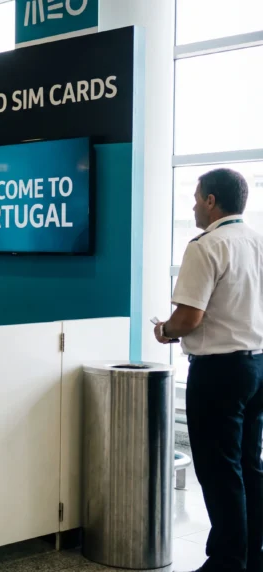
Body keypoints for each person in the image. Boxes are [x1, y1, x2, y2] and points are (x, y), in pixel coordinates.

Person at [154, 168, 263, 572]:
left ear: (212, 201)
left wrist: (164, 330)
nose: (194, 205)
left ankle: (226, 561)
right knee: (250, 465)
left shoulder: (206, 246)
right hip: (257, 366)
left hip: (219, 373)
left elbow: (189, 318)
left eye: (197, 197)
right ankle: (253, 557)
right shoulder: (256, 242)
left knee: (219, 471)